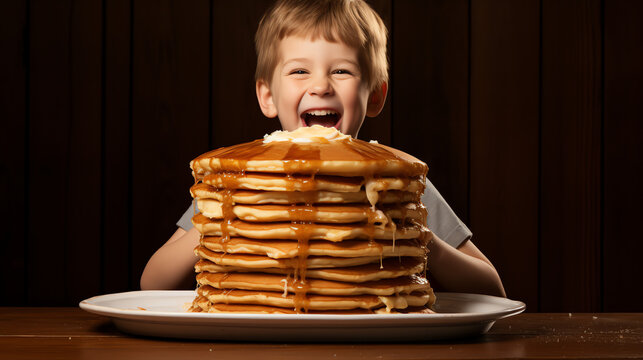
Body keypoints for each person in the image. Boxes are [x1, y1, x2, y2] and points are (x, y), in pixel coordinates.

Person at [140, 0, 506, 298]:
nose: (321, 86)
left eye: (342, 71)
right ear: (267, 95)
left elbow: (491, 290)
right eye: (300, 71)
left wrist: (422, 239)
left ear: (375, 95)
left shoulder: (398, 182)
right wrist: (217, 222)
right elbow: (152, 283)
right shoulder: (242, 182)